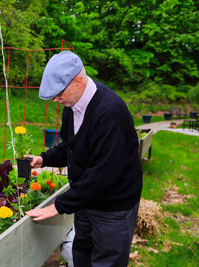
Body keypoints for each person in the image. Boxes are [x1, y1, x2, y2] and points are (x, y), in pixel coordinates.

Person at [26, 51, 142, 267]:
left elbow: (103, 173)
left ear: (78, 81)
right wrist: (43, 159)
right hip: (87, 200)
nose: (55, 99)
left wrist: (59, 205)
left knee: (107, 261)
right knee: (82, 255)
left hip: (113, 206)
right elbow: (72, 147)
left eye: (58, 93)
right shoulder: (72, 107)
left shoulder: (109, 111)